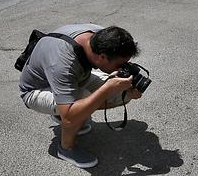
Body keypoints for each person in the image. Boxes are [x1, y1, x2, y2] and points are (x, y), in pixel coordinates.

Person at [19, 24, 142, 168]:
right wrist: (107, 89)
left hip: (75, 77)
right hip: (36, 90)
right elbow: (70, 116)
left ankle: (61, 108)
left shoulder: (99, 35)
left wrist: (129, 91)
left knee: (121, 94)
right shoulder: (65, 64)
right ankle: (66, 149)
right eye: (119, 64)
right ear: (102, 57)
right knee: (79, 104)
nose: (122, 68)